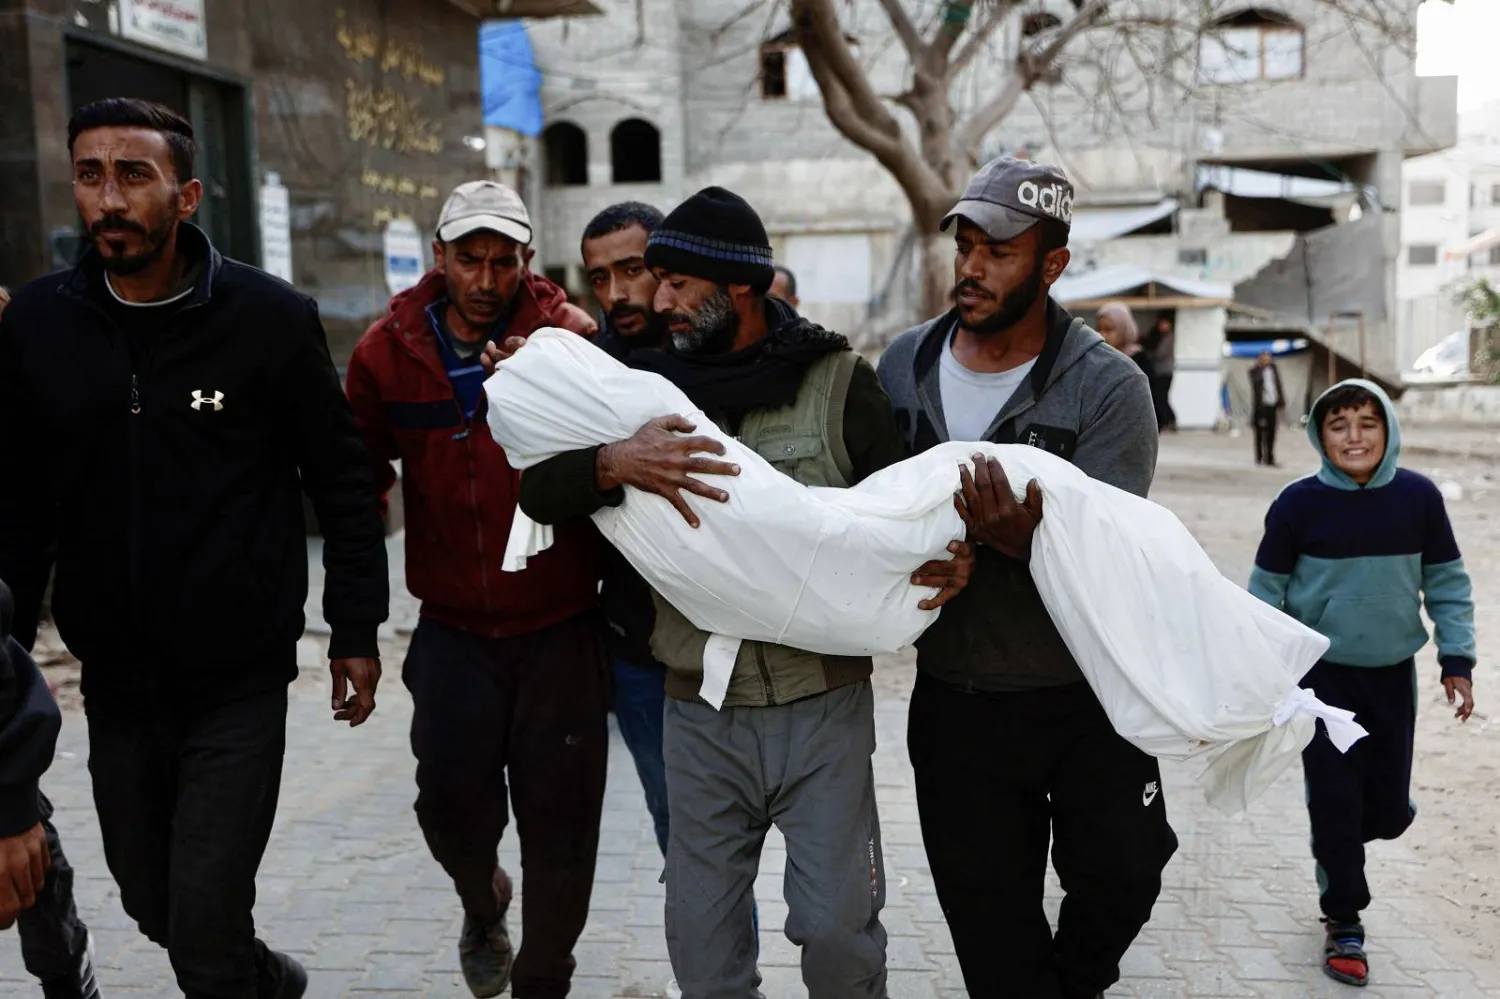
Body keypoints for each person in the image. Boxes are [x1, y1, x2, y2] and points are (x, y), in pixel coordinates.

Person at [513, 186, 973, 999]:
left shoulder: (837, 383)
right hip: (696, 714)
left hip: (820, 708)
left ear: (741, 288)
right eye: (656, 283)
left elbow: (915, 501)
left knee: (838, 931)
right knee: (702, 947)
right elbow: (539, 491)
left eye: (679, 285)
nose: (660, 302)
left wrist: (953, 553)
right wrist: (613, 463)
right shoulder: (644, 389)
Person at [0, 98, 389, 999]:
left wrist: (357, 629)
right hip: (118, 682)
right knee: (154, 906)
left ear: (186, 196)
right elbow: (17, 510)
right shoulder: (40, 327)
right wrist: (6, 653)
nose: (108, 198)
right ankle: (271, 981)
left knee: (204, 930)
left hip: (238, 680)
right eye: (91, 174)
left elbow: (342, 482)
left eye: (133, 175)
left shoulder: (267, 317)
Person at [876, 157, 1177, 999]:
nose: (970, 267)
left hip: (1089, 699)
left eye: (997, 252)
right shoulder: (903, 366)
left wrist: (1026, 543)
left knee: (1128, 871)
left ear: (1052, 266)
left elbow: (1115, 550)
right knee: (992, 932)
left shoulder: (1109, 387)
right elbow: (860, 512)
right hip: (959, 704)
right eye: (966, 244)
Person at [345, 180, 606, 999]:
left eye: (504, 262)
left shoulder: (569, 339)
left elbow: (616, 462)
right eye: (470, 260)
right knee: (448, 808)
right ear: (440, 257)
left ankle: (542, 980)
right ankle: (481, 895)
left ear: (527, 262)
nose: (487, 281)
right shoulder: (386, 353)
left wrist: (546, 380)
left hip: (560, 629)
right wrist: (354, 627)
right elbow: (356, 490)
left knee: (561, 831)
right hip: (453, 633)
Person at [1248, 380, 1476, 988]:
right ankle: (1344, 920)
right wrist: (1259, 671)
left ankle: (1383, 813)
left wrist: (1457, 659)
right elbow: (1264, 596)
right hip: (1321, 684)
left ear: (1389, 429)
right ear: (1320, 436)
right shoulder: (1297, 506)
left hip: (1392, 677)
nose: (1354, 436)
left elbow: (1449, 584)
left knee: (1385, 808)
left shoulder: (1419, 499)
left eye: (1367, 423)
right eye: (1339, 424)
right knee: (1335, 803)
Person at [1096, 301, 1156, 384]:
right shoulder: (1097, 359)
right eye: (1099, 329)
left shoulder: (1139, 363)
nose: (1102, 335)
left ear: (1123, 329)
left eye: (1108, 329)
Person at [1250, 350, 1286, 466]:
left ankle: (1270, 458)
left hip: (1272, 404)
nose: (1267, 361)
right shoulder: (1255, 371)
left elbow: (1278, 385)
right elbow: (1256, 383)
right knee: (1260, 432)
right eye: (1264, 359)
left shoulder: (1273, 370)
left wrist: (1281, 400)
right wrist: (1261, 369)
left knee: (1272, 432)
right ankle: (1259, 457)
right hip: (1261, 406)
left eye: (1268, 358)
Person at [1145, 315, 1177, 431]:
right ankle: (1169, 421)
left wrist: (1149, 355)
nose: (1161, 326)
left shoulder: (1168, 337)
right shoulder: (1162, 337)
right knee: (1161, 398)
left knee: (1161, 398)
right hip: (1161, 372)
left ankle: (1169, 421)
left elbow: (1160, 354)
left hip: (1164, 372)